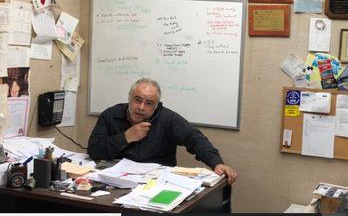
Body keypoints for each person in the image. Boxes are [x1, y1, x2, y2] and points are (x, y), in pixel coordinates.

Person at [87, 78, 237, 184]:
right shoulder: (111, 115)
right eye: (137, 100)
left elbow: (194, 138)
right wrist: (126, 137)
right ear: (129, 98)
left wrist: (216, 163)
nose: (141, 107)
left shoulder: (167, 119)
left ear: (156, 106)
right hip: (115, 182)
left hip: (156, 183)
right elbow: (94, 150)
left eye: (149, 103)